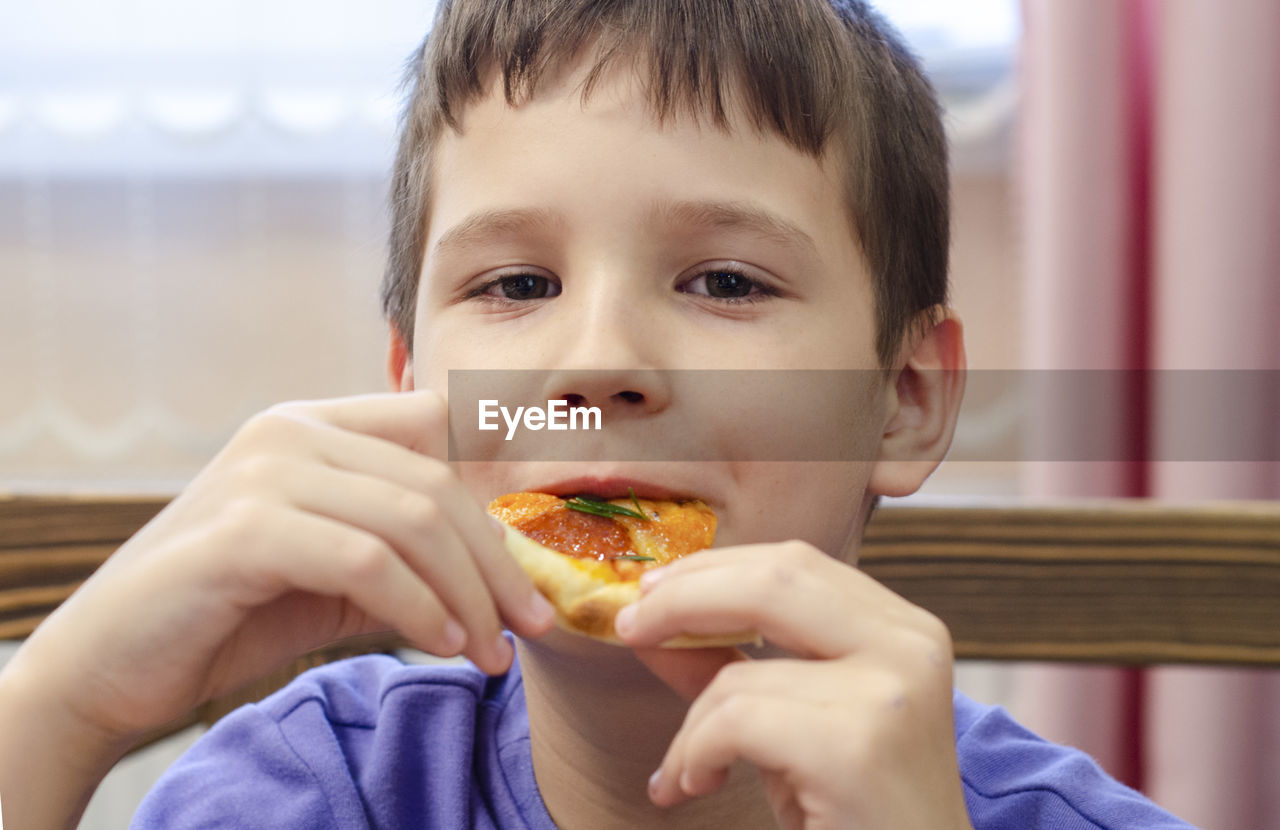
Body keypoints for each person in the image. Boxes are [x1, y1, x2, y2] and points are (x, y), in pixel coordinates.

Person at [0, 1, 1195, 828]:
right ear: (417, 392)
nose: (599, 361)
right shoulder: (308, 789)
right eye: (516, 284)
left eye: (726, 281)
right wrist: (59, 708)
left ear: (904, 399)